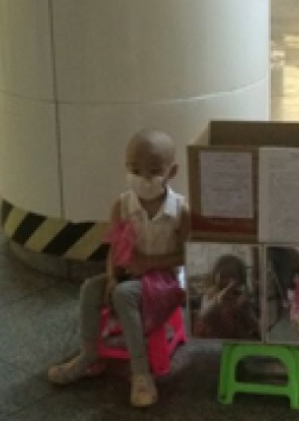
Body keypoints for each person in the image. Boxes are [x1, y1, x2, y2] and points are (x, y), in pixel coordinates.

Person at [47, 128, 191, 408]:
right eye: (135, 169)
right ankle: (89, 354)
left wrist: (148, 264)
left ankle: (141, 374)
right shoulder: (122, 205)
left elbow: (186, 256)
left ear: (171, 172)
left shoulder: (180, 211)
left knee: (125, 295)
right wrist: (112, 276)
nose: (143, 178)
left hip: (165, 281)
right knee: (92, 288)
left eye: (153, 171)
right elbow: (115, 247)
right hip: (129, 275)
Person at [194, 253, 262, 341]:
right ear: (214, 276)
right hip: (213, 340)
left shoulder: (241, 298)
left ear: (241, 280)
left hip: (236, 340)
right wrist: (218, 301)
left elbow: (256, 327)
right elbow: (204, 314)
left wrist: (246, 311)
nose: (227, 281)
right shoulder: (210, 294)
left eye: (232, 277)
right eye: (222, 276)